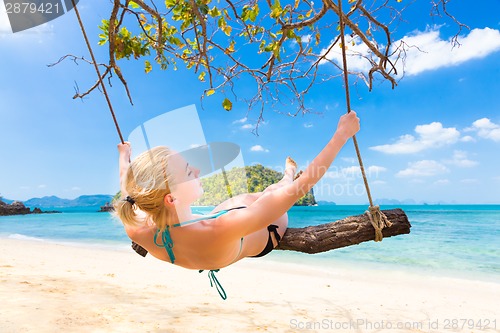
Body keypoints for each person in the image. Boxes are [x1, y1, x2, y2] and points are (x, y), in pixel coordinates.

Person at [114, 111, 360, 272]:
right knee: (272, 192)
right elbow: (301, 188)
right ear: (172, 198)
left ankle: (283, 177)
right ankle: (286, 175)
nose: (199, 170)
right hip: (267, 232)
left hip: (215, 234)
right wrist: (342, 135)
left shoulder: (137, 227)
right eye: (189, 172)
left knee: (239, 200)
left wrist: (124, 157)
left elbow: (129, 187)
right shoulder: (221, 228)